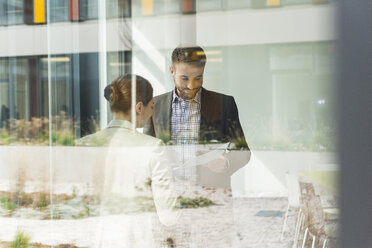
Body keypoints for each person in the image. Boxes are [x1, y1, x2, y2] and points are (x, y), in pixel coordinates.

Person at [77, 74, 178, 247]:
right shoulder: (153, 147)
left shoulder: (83, 145)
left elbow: (77, 200)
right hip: (137, 239)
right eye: (151, 106)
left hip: (95, 238)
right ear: (140, 107)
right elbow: (168, 214)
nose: (151, 112)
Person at [144, 45, 250, 186]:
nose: (191, 85)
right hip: (167, 195)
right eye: (184, 78)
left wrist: (226, 162)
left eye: (198, 78)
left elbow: (243, 151)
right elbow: (146, 153)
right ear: (172, 71)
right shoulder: (154, 105)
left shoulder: (225, 104)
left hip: (210, 196)